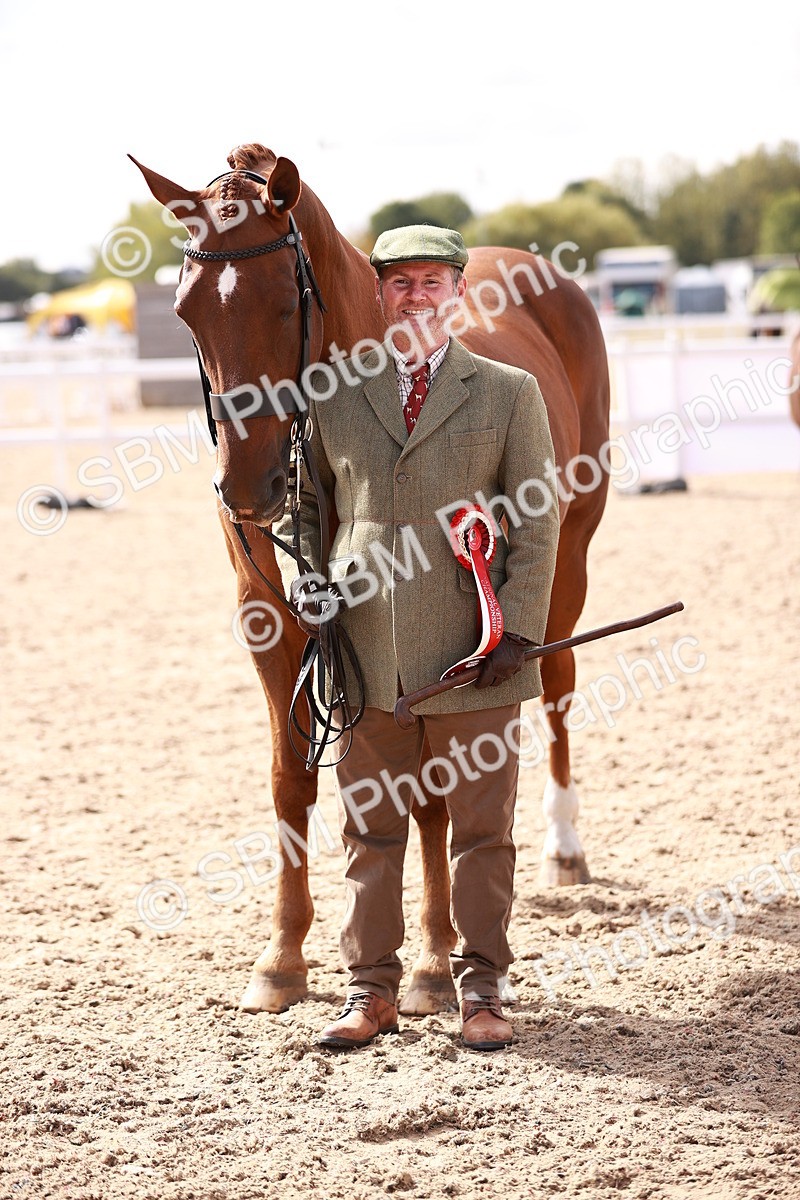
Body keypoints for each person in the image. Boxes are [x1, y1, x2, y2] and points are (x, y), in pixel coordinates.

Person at [275, 225, 559, 1051]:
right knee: (369, 830)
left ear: (459, 292)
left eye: (433, 281)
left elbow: (538, 522)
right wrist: (305, 579)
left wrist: (518, 630)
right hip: (364, 652)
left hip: (478, 652)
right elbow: (301, 508)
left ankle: (482, 990)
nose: (417, 296)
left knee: (483, 833)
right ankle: (370, 991)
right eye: (401, 282)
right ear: (379, 294)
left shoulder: (509, 392)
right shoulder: (330, 395)